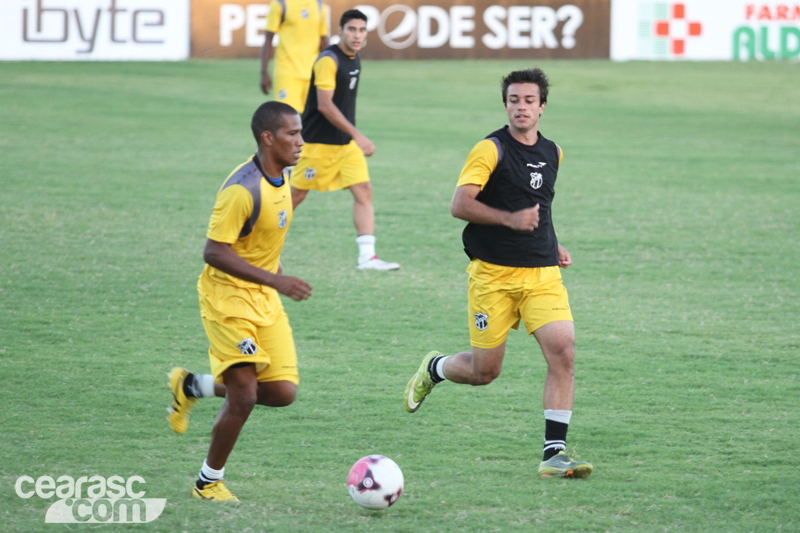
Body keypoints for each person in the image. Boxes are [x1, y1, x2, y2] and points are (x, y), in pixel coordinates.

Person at [403, 68, 593, 479]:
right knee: (484, 372)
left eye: (529, 100)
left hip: (541, 273)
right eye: (513, 100)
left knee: (564, 350)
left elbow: (540, 206)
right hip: (493, 277)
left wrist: (552, 241)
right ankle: (434, 368)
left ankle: (553, 453)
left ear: (542, 107)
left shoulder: (554, 152)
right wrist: (509, 220)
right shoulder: (490, 150)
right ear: (505, 104)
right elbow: (460, 204)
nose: (521, 107)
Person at [167, 101, 313, 502]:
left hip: (263, 297)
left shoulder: (282, 177)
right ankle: (207, 482)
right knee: (245, 394)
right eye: (292, 134)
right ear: (268, 138)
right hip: (226, 298)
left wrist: (272, 275)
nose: (300, 141)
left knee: (283, 392)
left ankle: (192, 384)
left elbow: (265, 232)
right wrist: (276, 279)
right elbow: (214, 251)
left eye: (300, 132)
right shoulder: (241, 189)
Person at [290, 9, 399, 271]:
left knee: (364, 191)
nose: (357, 35)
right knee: (294, 197)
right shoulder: (328, 60)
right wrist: (357, 134)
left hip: (344, 146)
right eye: (352, 29)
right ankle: (253, 242)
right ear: (341, 30)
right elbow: (325, 106)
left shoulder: (354, 58)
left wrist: (351, 138)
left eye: (362, 30)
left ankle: (367, 258)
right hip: (317, 145)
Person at [260, 0, 329, 113]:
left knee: (311, 120)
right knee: (286, 119)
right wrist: (264, 72)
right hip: (287, 72)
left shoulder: (319, 4)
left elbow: (323, 40)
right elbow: (268, 38)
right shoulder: (280, 3)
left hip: (313, 73)